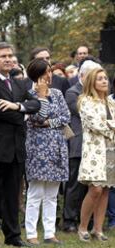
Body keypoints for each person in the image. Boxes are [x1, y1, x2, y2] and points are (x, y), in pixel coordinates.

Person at [0, 42, 42, 248]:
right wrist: (22, 113)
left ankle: (13, 236)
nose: (8, 59)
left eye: (10, 56)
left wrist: (18, 106)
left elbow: (37, 104)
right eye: (3, 56)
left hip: (15, 149)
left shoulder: (20, 84)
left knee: (12, 194)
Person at [24, 58, 70, 245]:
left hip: (57, 146)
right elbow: (36, 117)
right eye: (45, 73)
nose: (49, 76)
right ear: (36, 76)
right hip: (37, 147)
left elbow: (65, 116)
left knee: (52, 193)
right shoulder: (28, 94)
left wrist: (48, 123)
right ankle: (31, 233)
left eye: (50, 71)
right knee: (35, 193)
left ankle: (49, 233)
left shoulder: (58, 93)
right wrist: (42, 97)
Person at [63, 60, 102, 232]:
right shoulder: (73, 93)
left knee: (93, 186)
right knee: (75, 185)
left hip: (96, 146)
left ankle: (87, 220)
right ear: (82, 75)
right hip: (79, 144)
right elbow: (85, 112)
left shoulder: (98, 94)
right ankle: (69, 220)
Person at [77, 68, 114, 242]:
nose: (104, 81)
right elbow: (95, 125)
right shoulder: (86, 101)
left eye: (105, 78)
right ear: (92, 82)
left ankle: (97, 229)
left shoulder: (110, 102)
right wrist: (111, 126)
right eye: (100, 79)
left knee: (105, 189)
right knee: (95, 189)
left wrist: (109, 125)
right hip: (94, 151)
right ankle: (82, 227)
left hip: (111, 149)